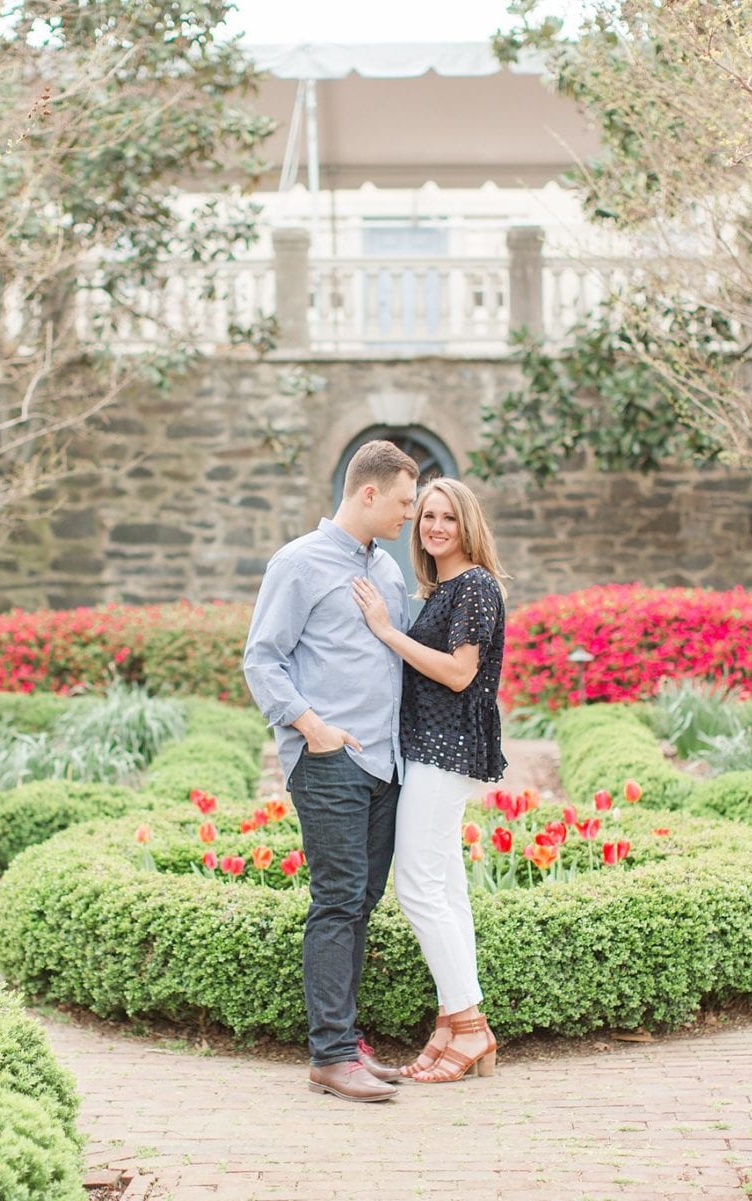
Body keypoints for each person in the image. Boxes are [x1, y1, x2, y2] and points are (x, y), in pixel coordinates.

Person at [242, 440, 419, 1103]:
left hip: (385, 764)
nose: (409, 513)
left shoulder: (389, 573)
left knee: (361, 901)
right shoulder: (298, 563)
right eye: (403, 501)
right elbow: (262, 659)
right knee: (339, 898)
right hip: (331, 761)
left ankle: (346, 1041)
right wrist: (313, 728)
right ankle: (330, 1055)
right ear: (369, 494)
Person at [350, 476, 508, 1084]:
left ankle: (467, 1024)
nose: (434, 526)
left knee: (416, 885)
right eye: (426, 517)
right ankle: (455, 1023)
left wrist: (387, 631)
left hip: (447, 752)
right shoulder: (448, 588)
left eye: (447, 517)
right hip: (434, 751)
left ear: (467, 524)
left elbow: (461, 674)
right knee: (445, 888)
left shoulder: (474, 587)